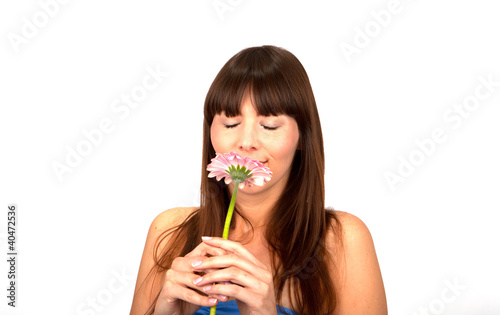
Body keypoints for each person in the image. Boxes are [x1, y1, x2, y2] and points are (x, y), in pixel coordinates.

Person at [130, 45, 387, 315]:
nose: (246, 143)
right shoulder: (169, 232)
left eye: (270, 126)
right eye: (230, 124)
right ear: (210, 132)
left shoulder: (344, 241)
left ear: (302, 138)